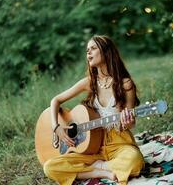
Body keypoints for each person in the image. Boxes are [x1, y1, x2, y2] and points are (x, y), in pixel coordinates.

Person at [43, 35, 145, 185]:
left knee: (135, 161)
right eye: (87, 50)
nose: (88, 53)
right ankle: (97, 171)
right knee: (50, 167)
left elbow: (130, 122)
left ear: (106, 51)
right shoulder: (89, 83)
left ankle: (94, 168)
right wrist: (56, 127)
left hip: (119, 142)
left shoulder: (125, 84)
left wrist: (127, 122)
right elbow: (55, 101)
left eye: (93, 49)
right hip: (91, 147)